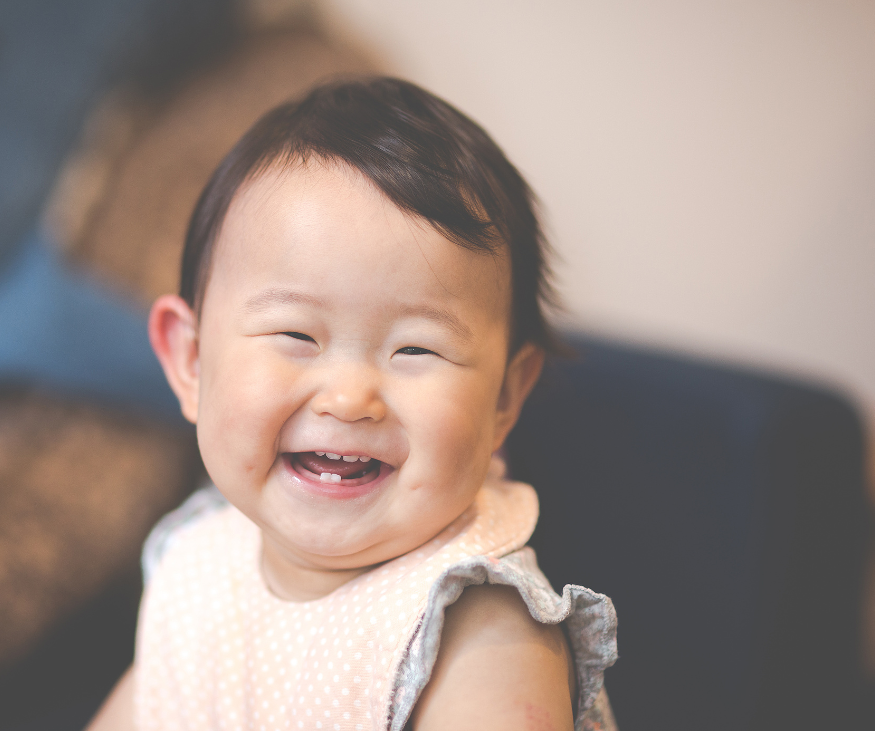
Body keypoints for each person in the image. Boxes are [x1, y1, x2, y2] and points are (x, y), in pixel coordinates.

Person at [86, 77, 617, 731]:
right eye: (296, 336)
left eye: (415, 350)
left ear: (505, 397)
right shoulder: (201, 569)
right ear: (192, 362)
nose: (350, 397)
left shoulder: (480, 635)